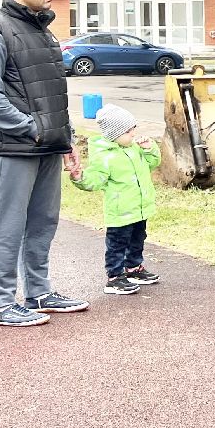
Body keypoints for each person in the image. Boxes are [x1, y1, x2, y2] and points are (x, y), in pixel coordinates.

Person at [0, 0, 87, 327]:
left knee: (42, 221)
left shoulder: (44, 33)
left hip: (47, 145)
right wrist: (31, 128)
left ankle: (38, 291)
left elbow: (53, 95)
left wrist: (65, 142)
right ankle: (0, 304)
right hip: (12, 147)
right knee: (6, 225)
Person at [69, 105, 161, 295]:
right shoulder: (105, 157)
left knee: (138, 239)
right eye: (128, 131)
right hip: (120, 212)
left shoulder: (135, 149)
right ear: (114, 134)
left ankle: (134, 268)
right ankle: (114, 277)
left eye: (133, 128)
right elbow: (95, 180)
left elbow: (153, 163)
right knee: (117, 244)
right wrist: (80, 177)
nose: (133, 134)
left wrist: (150, 149)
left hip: (139, 209)